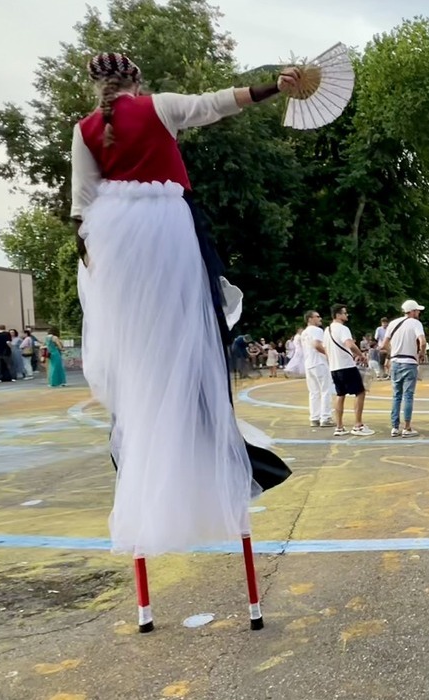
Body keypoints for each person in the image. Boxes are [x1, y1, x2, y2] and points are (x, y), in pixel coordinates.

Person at [71, 50, 294, 569]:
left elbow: (82, 205)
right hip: (167, 229)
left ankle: (151, 446)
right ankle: (209, 440)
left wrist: (97, 275)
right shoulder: (156, 108)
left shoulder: (85, 130)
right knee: (193, 338)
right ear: (135, 80)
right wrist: (272, 88)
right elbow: (215, 103)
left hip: (115, 241)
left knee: (141, 355)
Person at [326, 304, 374, 437]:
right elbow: (349, 344)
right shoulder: (343, 329)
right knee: (360, 392)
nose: (347, 315)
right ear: (338, 315)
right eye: (345, 313)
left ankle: (339, 426)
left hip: (334, 367)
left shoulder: (327, 330)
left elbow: (327, 349)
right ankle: (358, 425)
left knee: (340, 395)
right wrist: (360, 355)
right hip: (346, 365)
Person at [384, 300, 428, 437]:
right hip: (410, 361)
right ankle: (407, 427)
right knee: (408, 395)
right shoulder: (416, 324)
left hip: (396, 361)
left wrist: (391, 354)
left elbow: (384, 344)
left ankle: (394, 427)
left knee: (396, 395)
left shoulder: (393, 323)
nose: (419, 312)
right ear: (412, 311)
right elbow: (423, 341)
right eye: (417, 310)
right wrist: (421, 353)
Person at [301, 310, 332, 428]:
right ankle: (325, 417)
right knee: (325, 390)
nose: (320, 319)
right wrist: (329, 355)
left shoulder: (304, 332)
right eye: (317, 317)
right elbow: (317, 344)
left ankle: (314, 417)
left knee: (314, 392)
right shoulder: (317, 330)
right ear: (310, 319)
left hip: (309, 363)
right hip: (319, 362)